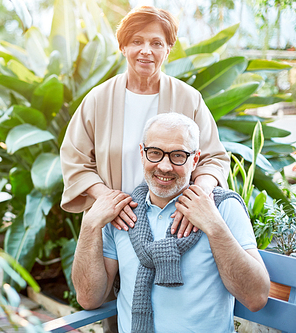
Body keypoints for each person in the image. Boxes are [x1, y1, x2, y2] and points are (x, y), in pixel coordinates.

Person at [72, 113, 270, 333]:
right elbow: (88, 299)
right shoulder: (121, 212)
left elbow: (256, 298)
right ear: (142, 154)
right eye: (155, 153)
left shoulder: (223, 207)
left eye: (178, 155)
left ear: (195, 160)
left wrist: (214, 226)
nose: (164, 166)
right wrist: (89, 225)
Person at [60, 5, 230, 238]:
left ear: (168, 49)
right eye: (137, 41)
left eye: (156, 43)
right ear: (123, 47)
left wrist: (197, 198)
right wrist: (106, 199)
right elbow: (74, 159)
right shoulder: (98, 99)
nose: (146, 51)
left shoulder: (189, 98)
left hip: (174, 225)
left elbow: (214, 159)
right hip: (113, 223)